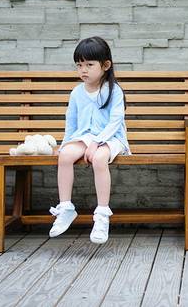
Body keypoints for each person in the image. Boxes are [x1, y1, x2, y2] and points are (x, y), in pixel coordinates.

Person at [49, 36, 131, 244]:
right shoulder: (77, 92)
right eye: (79, 65)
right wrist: (65, 143)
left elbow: (115, 122)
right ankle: (66, 208)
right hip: (85, 137)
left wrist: (97, 142)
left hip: (112, 138)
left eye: (89, 65)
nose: (83, 70)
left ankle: (102, 214)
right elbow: (71, 122)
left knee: (99, 158)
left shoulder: (114, 91)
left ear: (105, 65)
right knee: (65, 156)